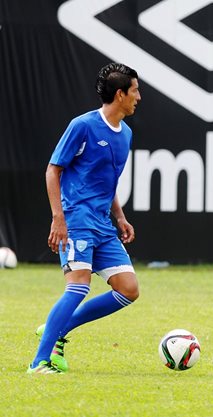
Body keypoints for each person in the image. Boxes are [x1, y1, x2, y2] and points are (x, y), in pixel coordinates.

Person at [27, 63, 141, 374]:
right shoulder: (83, 125)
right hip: (76, 218)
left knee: (129, 289)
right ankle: (39, 362)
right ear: (120, 94)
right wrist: (58, 218)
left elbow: (108, 181)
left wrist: (120, 216)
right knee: (78, 287)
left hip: (103, 224)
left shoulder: (125, 134)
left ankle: (57, 328)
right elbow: (53, 169)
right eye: (135, 90)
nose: (138, 97)